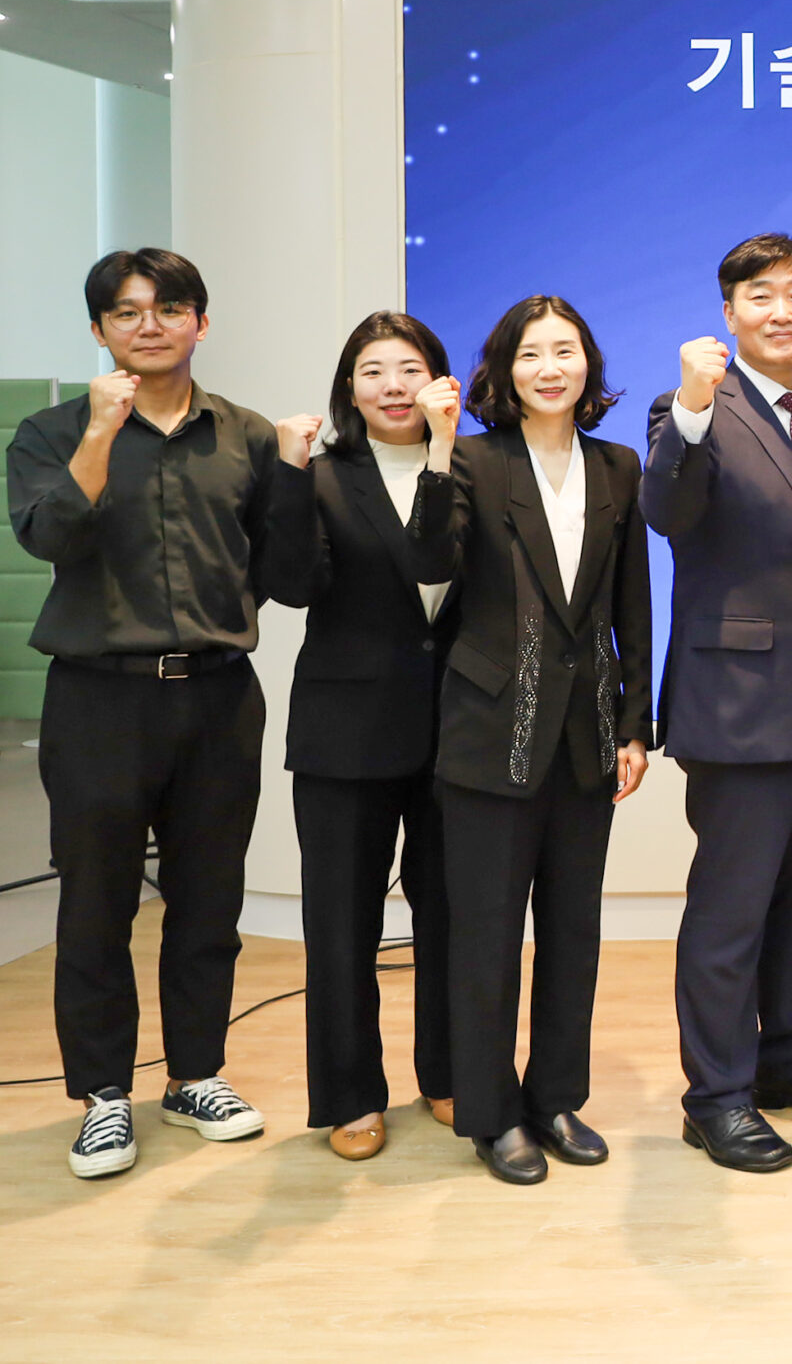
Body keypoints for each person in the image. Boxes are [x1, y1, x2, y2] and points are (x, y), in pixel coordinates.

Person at [6, 249, 320, 1180]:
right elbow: (47, 536)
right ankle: (104, 1094)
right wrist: (100, 434)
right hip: (98, 697)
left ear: (200, 323)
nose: (149, 325)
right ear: (99, 329)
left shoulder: (247, 435)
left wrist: (296, 473)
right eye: (127, 311)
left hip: (219, 694)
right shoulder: (49, 431)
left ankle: (195, 1074)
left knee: (209, 899)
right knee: (95, 902)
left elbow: (286, 577)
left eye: (169, 307)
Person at [644, 233, 792, 1175]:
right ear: (729, 311)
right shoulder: (693, 408)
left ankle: (788, 1055)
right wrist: (694, 405)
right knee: (730, 911)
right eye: (761, 295)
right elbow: (668, 511)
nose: (783, 311)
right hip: (738, 701)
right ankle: (716, 1095)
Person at [424, 295, 653, 1185]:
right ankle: (491, 1114)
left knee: (571, 931)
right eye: (531, 354)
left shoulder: (618, 465)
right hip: (490, 730)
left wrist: (635, 723)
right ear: (504, 369)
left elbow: (632, 601)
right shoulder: (473, 460)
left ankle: (556, 1096)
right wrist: (437, 447)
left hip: (588, 733)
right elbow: (428, 564)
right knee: (485, 935)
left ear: (588, 363)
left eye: (565, 351)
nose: (550, 368)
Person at [266, 313, 465, 1160]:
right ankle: (350, 1094)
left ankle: (450, 1072)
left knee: (454, 912)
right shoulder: (320, 475)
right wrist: (286, 472)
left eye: (409, 367)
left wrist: (445, 452)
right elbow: (289, 584)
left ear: (440, 379)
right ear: (349, 386)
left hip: (458, 726)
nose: (392, 385)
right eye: (373, 369)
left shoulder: (472, 467)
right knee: (342, 921)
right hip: (345, 731)